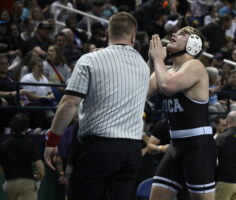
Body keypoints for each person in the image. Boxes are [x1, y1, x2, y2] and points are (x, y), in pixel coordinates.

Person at [43, 12, 150, 200]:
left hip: (99, 149)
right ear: (133, 36)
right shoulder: (143, 66)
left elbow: (69, 104)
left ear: (107, 34)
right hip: (132, 151)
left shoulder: (90, 59)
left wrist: (52, 141)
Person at [148, 27, 217, 200]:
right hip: (176, 146)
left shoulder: (195, 66)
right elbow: (140, 90)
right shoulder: (168, 70)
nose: (173, 35)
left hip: (198, 147)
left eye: (181, 34)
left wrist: (158, 60)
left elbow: (167, 87)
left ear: (194, 44)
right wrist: (151, 61)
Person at [0, 114, 45, 200]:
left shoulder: (3, 145)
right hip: (26, 184)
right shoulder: (29, 144)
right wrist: (39, 176)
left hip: (9, 185)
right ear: (26, 127)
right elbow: (39, 165)